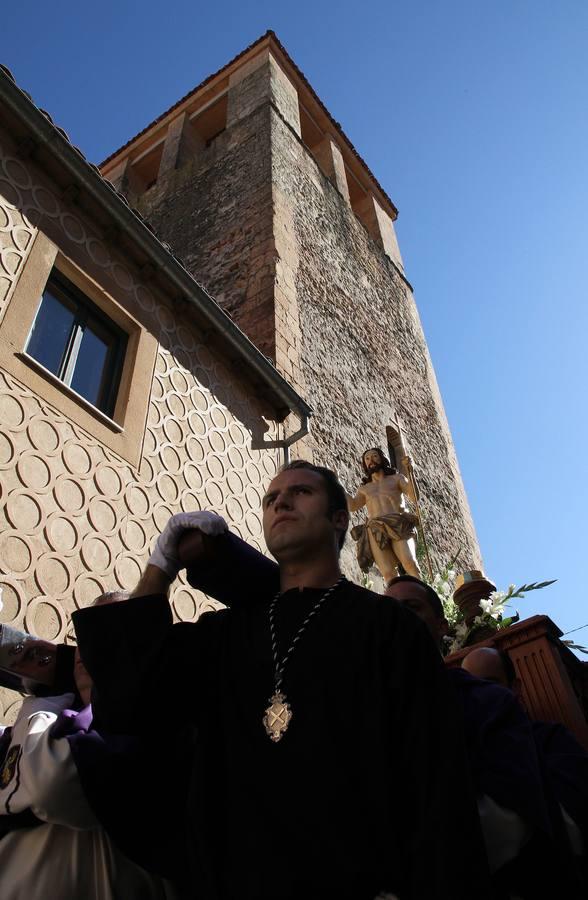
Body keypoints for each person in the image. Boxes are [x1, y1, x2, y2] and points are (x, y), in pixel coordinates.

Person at [73, 461, 491, 900]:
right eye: (271, 498)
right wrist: (161, 565)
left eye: (301, 492)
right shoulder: (223, 635)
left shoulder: (389, 627)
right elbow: (133, 697)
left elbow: (436, 783)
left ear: (339, 518)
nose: (281, 501)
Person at [0, 591, 178, 900]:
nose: (87, 648)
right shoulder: (63, 716)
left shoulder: (150, 741)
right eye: (84, 633)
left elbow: (50, 784)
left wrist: (44, 690)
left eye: (106, 634)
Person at [344, 448, 420, 582]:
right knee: (389, 574)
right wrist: (337, 483)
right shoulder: (364, 489)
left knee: (410, 563)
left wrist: (410, 471)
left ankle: (423, 599)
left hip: (398, 523)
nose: (371, 460)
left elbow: (414, 497)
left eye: (374, 456)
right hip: (375, 528)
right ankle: (397, 601)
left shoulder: (397, 478)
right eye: (367, 459)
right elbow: (352, 505)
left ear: (382, 458)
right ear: (365, 464)